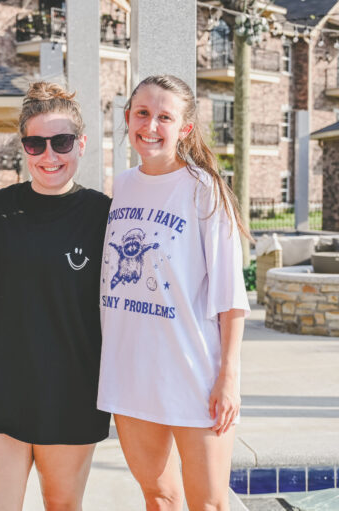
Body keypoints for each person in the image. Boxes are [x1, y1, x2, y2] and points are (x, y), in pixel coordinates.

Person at [98, 75, 251, 511]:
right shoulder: (122, 186)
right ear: (127, 117)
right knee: (159, 497)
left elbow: (231, 296)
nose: (150, 126)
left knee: (210, 504)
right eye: (142, 113)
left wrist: (229, 377)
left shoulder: (205, 190)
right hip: (130, 373)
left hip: (194, 375)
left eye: (164, 117)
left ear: (184, 128)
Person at [0, 81, 111, 511]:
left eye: (61, 142)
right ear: (24, 147)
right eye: (36, 144)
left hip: (72, 392)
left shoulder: (104, 215)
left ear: (81, 143)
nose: (49, 155)